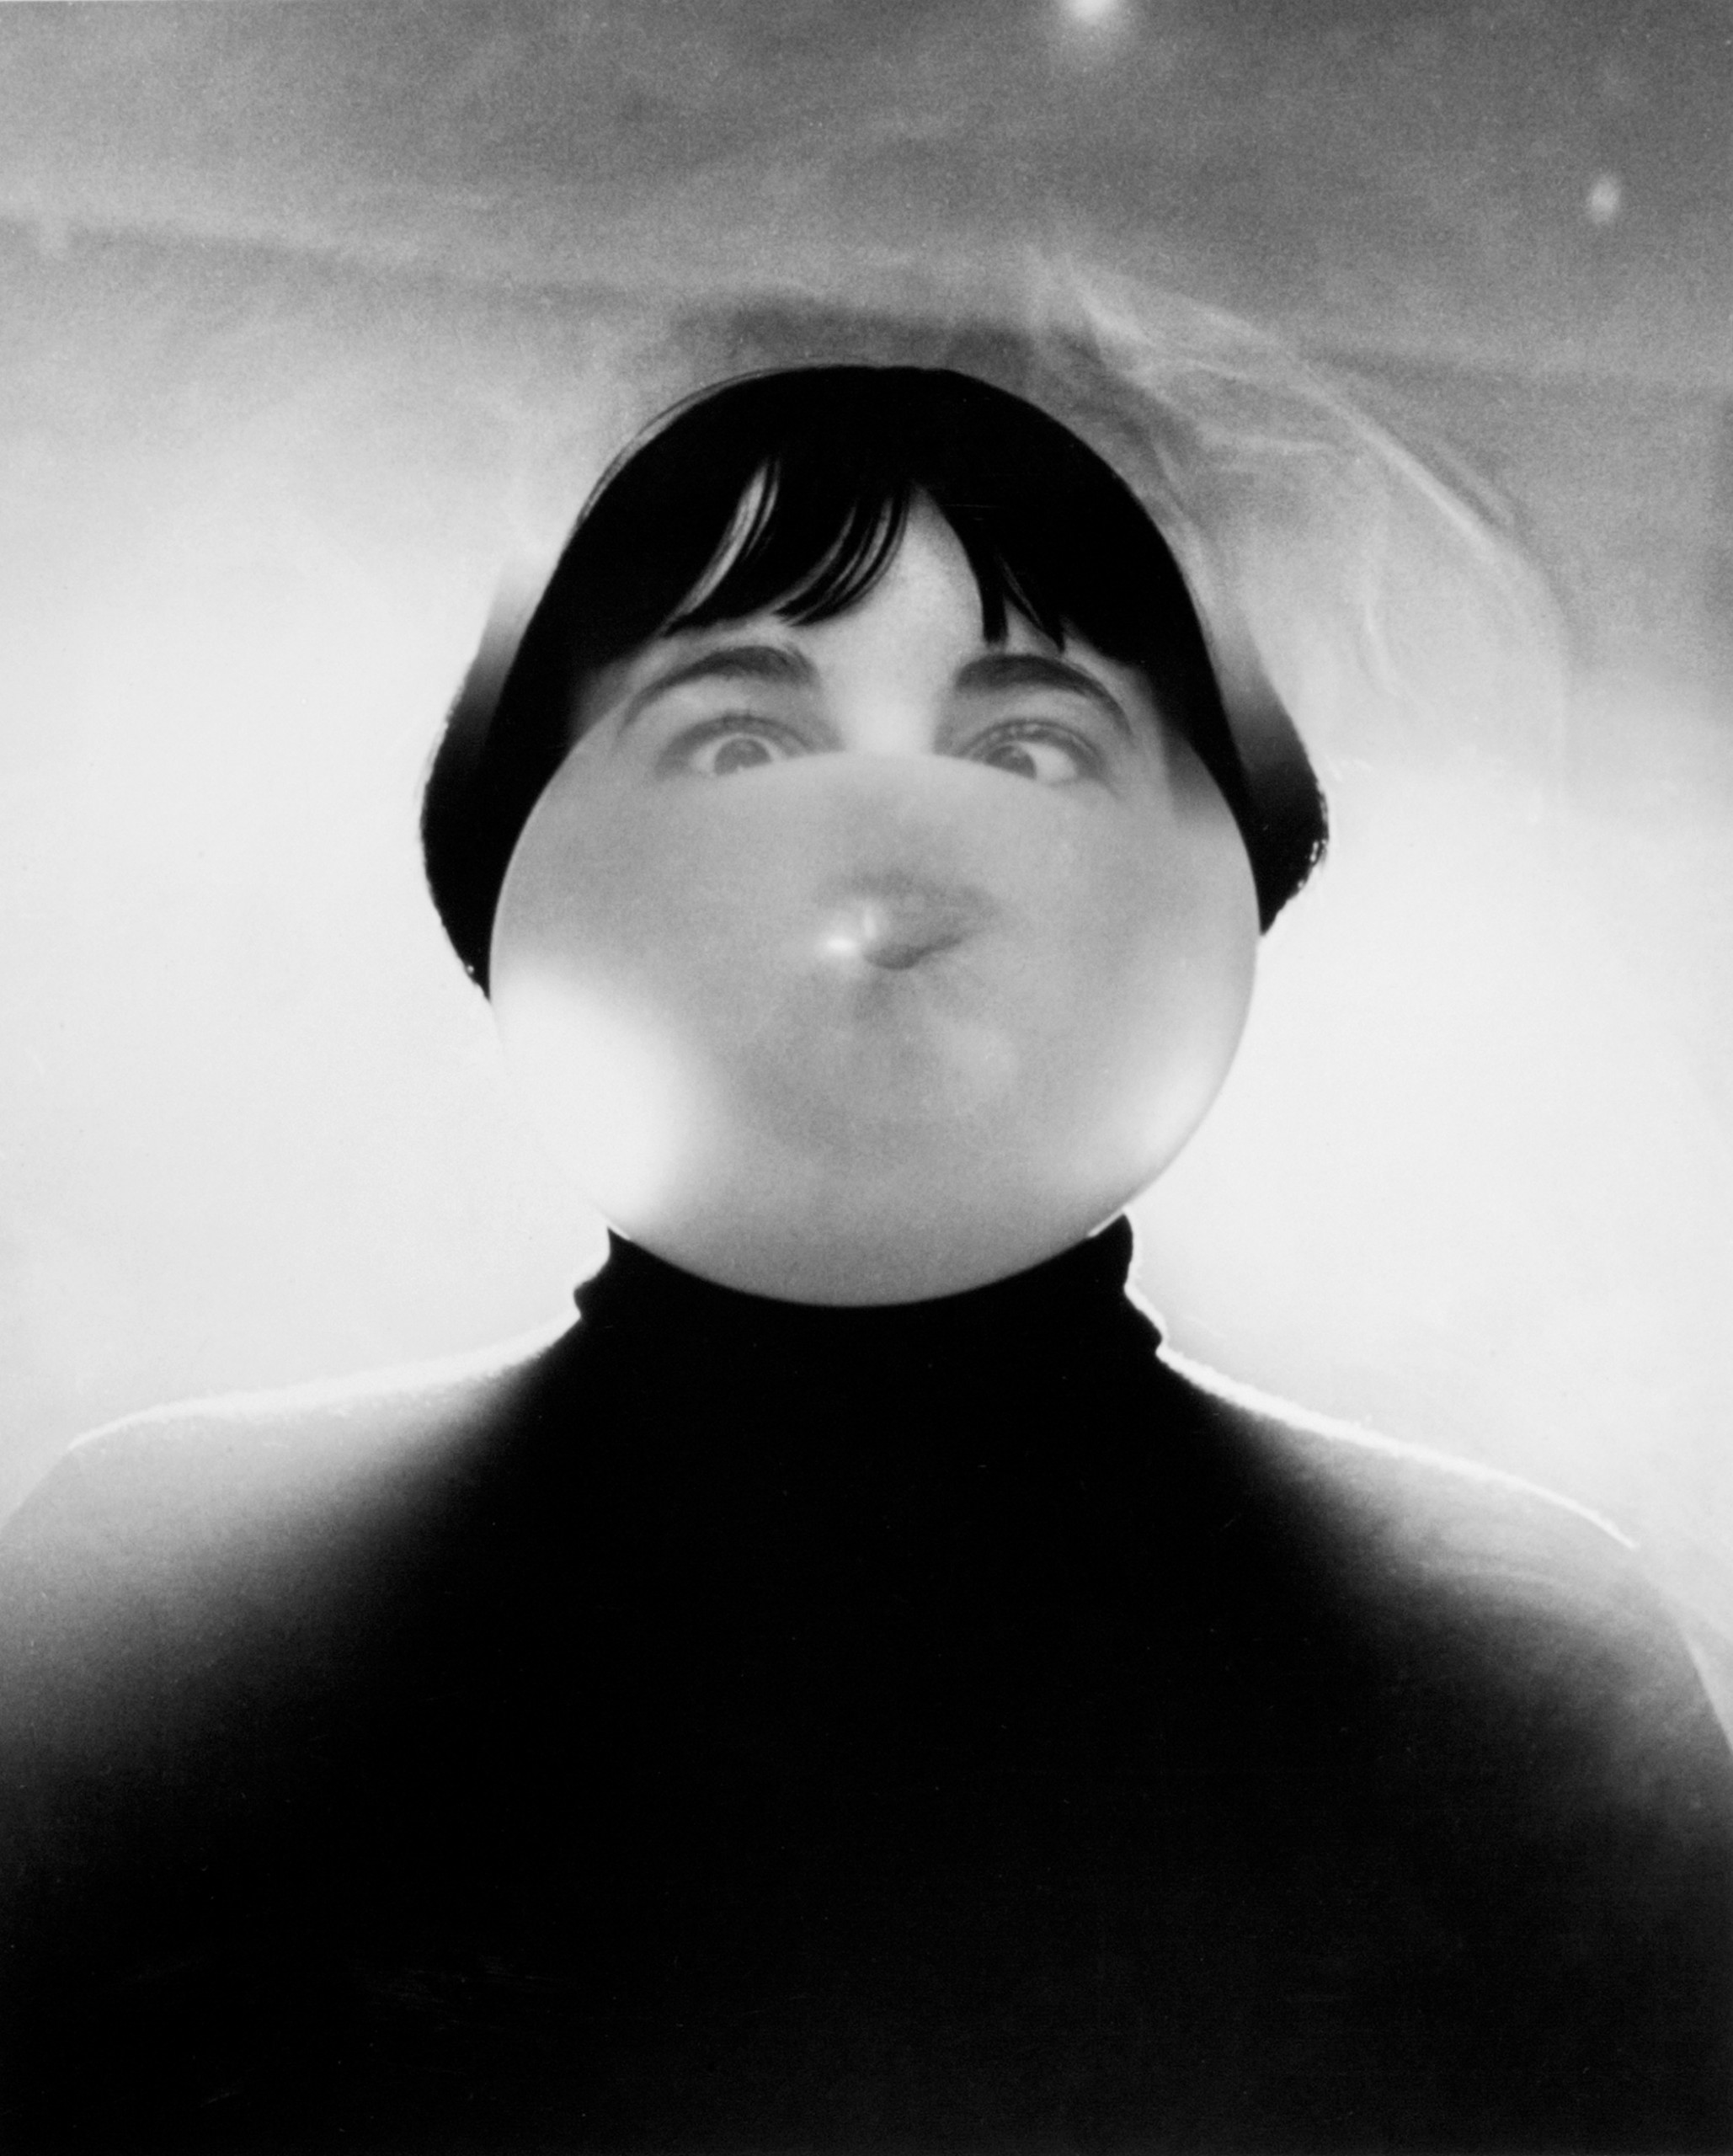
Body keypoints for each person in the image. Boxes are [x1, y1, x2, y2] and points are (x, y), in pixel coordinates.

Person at [0, 350, 1726, 2154]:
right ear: (531, 859)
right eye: (744, 738)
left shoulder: (1520, 1649)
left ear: (1213, 869)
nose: (893, 842)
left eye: (1028, 743)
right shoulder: (137, 1604)